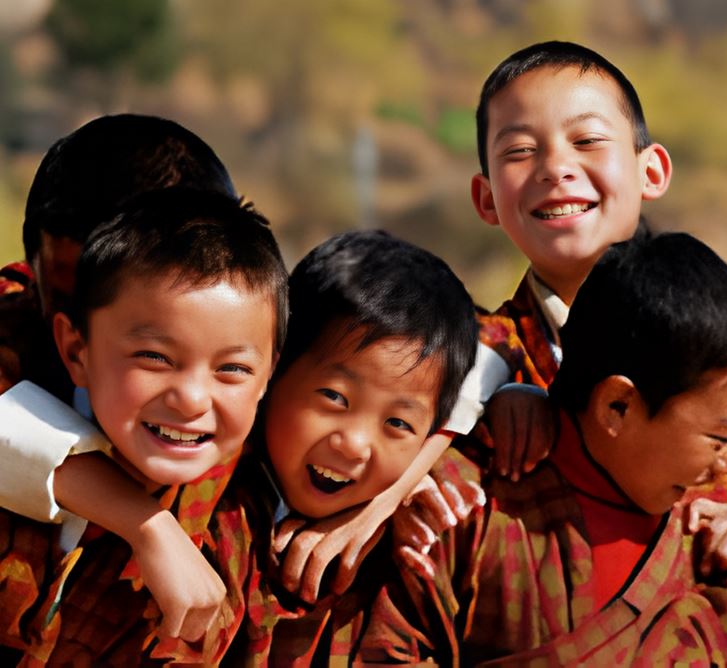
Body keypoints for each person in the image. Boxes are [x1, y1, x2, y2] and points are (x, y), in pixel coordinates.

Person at [470, 40, 727, 532]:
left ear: (652, 171)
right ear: (487, 198)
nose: (555, 168)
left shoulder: (724, 344)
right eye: (519, 151)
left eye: (587, 141)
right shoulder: (475, 355)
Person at [355, 232, 727, 665]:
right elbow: (381, 652)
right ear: (617, 406)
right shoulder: (459, 507)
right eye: (720, 438)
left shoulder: (716, 546)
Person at [0, 187, 288, 663]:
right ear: (76, 352)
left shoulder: (247, 523)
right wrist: (149, 526)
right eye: (154, 357)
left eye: (233, 368)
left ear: (269, 376)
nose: (193, 399)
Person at [169, 230, 482, 664]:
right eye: (334, 397)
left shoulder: (422, 538)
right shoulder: (191, 500)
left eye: (397, 423)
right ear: (272, 370)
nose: (354, 445)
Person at [0, 113, 238, 401]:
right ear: (35, 273)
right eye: (69, 305)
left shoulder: (276, 404)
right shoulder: (12, 338)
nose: (86, 343)